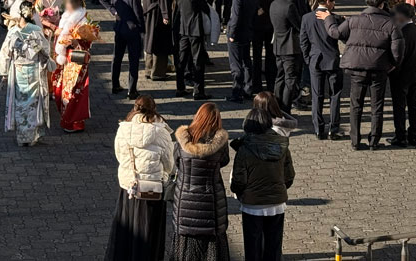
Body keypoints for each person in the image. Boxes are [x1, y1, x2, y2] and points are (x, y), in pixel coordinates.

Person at [319, 0, 403, 150]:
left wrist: (328, 18)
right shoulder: (391, 24)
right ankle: (374, 141)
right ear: (382, 4)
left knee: (356, 105)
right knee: (377, 106)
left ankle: (355, 141)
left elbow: (335, 33)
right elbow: (397, 50)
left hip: (357, 67)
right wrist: (392, 65)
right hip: (379, 69)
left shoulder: (354, 20)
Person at [105, 95, 175, 261]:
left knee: (126, 229)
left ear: (135, 108)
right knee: (149, 231)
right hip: (152, 189)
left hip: (129, 186)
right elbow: (169, 164)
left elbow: (119, 155)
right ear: (154, 109)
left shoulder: (124, 129)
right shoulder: (161, 132)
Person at [230, 108, 295, 261]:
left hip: (252, 205)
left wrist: (239, 193)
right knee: (274, 246)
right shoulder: (282, 145)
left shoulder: (244, 148)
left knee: (253, 247)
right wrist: (278, 188)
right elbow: (289, 176)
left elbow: (239, 181)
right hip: (277, 203)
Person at [171, 103, 230, 261]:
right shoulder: (220, 142)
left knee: (185, 248)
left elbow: (176, 162)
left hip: (185, 202)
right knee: (212, 247)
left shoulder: (183, 139)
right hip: (211, 203)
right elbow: (224, 161)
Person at [0, 0, 53, 146]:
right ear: (32, 14)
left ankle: (23, 137)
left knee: (20, 104)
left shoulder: (13, 32)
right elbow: (45, 51)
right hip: (34, 71)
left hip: (18, 71)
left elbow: (6, 53)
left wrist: (4, 73)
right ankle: (33, 135)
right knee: (34, 104)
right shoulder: (36, 31)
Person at [299, 0, 343, 139]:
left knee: (317, 95)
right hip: (332, 60)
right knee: (335, 94)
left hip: (315, 59)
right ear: (328, 2)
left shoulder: (307, 18)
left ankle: (318, 128)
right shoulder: (335, 18)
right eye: (333, 1)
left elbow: (303, 41)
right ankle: (334, 128)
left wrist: (308, 58)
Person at [52, 0, 99, 133]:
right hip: (67, 58)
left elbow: (88, 41)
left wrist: (76, 42)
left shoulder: (84, 21)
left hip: (78, 60)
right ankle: (68, 119)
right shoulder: (67, 18)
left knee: (75, 90)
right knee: (65, 88)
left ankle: (75, 122)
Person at [100, 0, 145, 99]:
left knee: (117, 57)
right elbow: (138, 14)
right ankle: (132, 90)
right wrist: (142, 29)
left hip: (120, 28)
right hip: (132, 30)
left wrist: (114, 12)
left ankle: (115, 84)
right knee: (133, 60)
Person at [388, 3, 416, 147]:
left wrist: (391, 69)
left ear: (401, 16)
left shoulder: (400, 33)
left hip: (400, 75)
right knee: (413, 104)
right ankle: (413, 135)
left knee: (399, 106)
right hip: (415, 72)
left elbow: (397, 55)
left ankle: (400, 136)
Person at [175, 0, 210, 101]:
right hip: (195, 28)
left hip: (182, 27)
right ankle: (198, 90)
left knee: (182, 59)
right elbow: (205, 8)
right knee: (197, 60)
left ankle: (180, 87)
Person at [227, 0, 259, 102]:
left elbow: (235, 17)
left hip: (237, 33)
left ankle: (237, 92)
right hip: (248, 31)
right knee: (246, 61)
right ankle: (248, 89)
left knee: (236, 63)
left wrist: (231, 34)